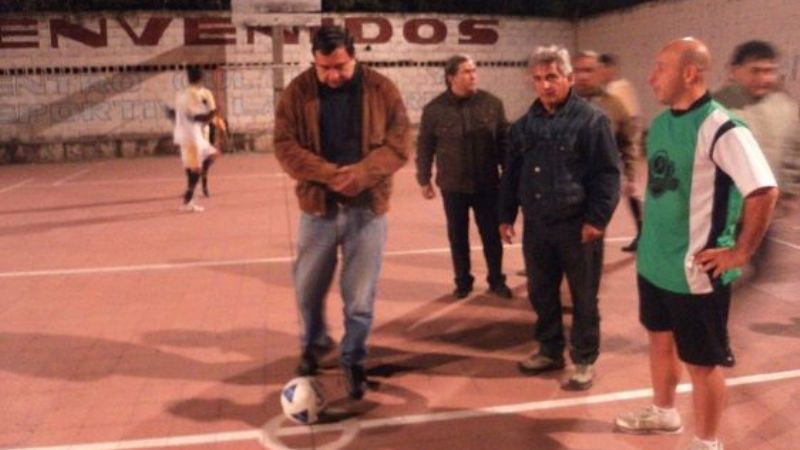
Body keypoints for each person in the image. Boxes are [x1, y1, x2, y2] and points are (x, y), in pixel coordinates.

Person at [614, 38, 779, 450]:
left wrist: (740, 252)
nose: (651, 77)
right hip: (655, 263)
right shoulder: (662, 124)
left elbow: (763, 190)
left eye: (661, 67)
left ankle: (707, 442)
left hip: (695, 271)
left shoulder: (722, 128)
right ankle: (664, 412)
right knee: (659, 339)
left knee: (702, 364)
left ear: (690, 73)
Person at [273, 25, 410, 400]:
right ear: (314, 61)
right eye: (324, 68)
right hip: (318, 209)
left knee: (360, 297)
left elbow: (400, 145)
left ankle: (352, 358)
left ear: (354, 57)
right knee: (307, 288)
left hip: (367, 211)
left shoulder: (382, 89)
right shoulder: (297, 92)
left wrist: (361, 174)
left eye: (340, 67)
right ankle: (315, 342)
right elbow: (285, 146)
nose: (333, 76)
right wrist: (330, 175)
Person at [498, 45, 620, 391]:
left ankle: (583, 360)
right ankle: (550, 350)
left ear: (568, 78)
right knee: (541, 292)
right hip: (538, 226)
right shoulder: (524, 125)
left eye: (552, 77)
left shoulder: (592, 121)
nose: (545, 85)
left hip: (578, 227)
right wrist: (506, 215)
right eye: (538, 79)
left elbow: (607, 174)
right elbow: (512, 173)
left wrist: (596, 220)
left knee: (584, 297)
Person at [416, 54, 512, 300]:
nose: (473, 76)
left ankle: (496, 280)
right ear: (451, 78)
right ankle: (463, 282)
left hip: (487, 183)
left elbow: (504, 143)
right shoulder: (434, 110)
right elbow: (425, 146)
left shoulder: (492, 104)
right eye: (467, 72)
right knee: (457, 237)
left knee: (491, 235)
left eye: (474, 70)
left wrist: (509, 176)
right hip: (453, 185)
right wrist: (424, 178)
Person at [713, 40, 800, 278]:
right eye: (756, 71)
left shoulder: (786, 108)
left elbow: (794, 152)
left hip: (765, 209)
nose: (764, 78)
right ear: (735, 71)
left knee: (760, 267)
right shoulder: (715, 108)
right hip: (724, 210)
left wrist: (790, 189)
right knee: (717, 271)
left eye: (769, 71)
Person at [573, 50, 638, 246]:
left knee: (592, 245)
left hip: (598, 189)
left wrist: (630, 176)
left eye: (589, 70)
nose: (583, 76)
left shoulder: (614, 105)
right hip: (565, 188)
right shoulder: (561, 104)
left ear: (599, 72)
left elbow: (627, 142)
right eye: (578, 70)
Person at [598, 52, 644, 252]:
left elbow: (630, 124)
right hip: (610, 148)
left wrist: (629, 164)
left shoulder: (620, 89)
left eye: (602, 68)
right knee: (623, 193)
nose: (600, 73)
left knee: (628, 191)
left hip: (619, 146)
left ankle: (643, 232)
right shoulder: (605, 91)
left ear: (610, 69)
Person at [172, 66, 224, 212]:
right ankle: (187, 199)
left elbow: (179, 114)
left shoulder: (182, 94)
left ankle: (190, 193)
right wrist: (213, 113)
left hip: (191, 136)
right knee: (196, 169)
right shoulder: (193, 95)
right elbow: (196, 117)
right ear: (200, 78)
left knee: (212, 155)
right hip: (191, 137)